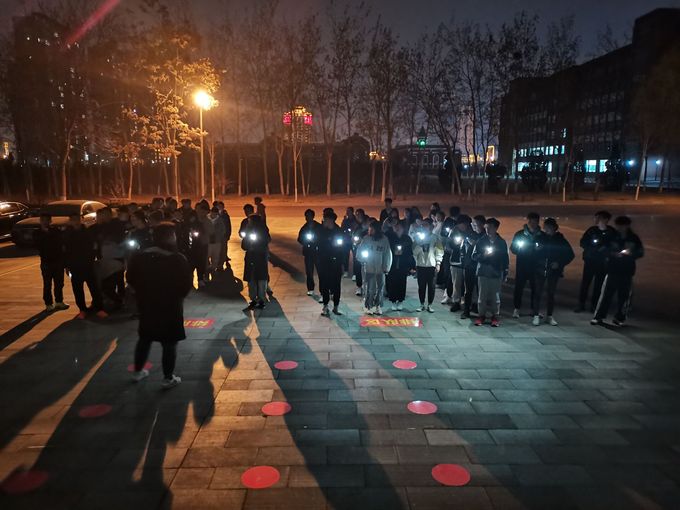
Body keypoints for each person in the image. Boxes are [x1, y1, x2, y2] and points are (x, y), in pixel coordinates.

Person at [127, 222, 192, 389]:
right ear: (170, 237)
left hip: (147, 305)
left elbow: (130, 278)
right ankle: (167, 378)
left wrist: (141, 294)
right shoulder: (177, 259)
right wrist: (177, 296)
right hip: (170, 306)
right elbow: (185, 285)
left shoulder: (141, 257)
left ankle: (137, 372)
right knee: (169, 342)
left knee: (145, 338)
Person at [592, 216, 644, 326]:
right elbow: (602, 249)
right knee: (606, 295)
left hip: (627, 271)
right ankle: (599, 316)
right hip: (613, 269)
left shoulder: (633, 238)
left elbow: (640, 252)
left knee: (624, 296)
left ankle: (620, 317)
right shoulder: (611, 236)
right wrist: (612, 254)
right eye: (618, 226)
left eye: (622, 226)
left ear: (627, 226)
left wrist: (631, 254)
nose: (620, 228)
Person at [532, 218, 574, 326]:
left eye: (549, 227)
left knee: (551, 294)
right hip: (540, 269)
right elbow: (531, 252)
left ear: (554, 228)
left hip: (553, 271)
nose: (547, 229)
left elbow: (570, 254)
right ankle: (536, 315)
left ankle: (549, 316)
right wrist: (536, 250)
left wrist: (559, 263)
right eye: (545, 227)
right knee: (538, 293)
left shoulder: (560, 240)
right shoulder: (540, 238)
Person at [63, 213, 106, 319]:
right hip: (75, 266)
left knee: (94, 288)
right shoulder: (67, 234)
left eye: (77, 219)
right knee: (77, 289)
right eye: (73, 219)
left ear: (81, 220)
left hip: (88, 264)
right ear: (70, 221)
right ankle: (82, 309)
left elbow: (95, 245)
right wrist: (66, 265)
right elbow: (65, 251)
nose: (76, 222)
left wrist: (96, 258)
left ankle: (99, 308)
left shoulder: (88, 232)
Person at [576, 210, 617, 313]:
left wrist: (605, 249)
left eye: (599, 218)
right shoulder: (592, 230)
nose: (596, 220)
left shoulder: (611, 232)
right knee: (585, 283)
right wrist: (592, 248)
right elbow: (582, 242)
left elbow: (615, 245)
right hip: (590, 261)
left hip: (603, 263)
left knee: (599, 285)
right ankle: (581, 304)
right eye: (595, 218)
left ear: (606, 220)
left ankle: (594, 305)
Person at [472, 217, 509, 327]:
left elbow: (505, 259)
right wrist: (484, 255)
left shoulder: (501, 242)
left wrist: (505, 272)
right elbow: (474, 256)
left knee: (495, 296)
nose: (487, 230)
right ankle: (481, 315)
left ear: (496, 228)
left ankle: (495, 316)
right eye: (486, 227)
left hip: (496, 272)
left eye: (490, 227)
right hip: (483, 272)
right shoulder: (481, 241)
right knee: (482, 296)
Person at [510, 211, 542, 319]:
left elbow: (546, 250)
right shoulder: (520, 234)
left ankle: (534, 310)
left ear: (538, 222)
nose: (533, 224)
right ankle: (516, 309)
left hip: (536, 267)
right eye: (531, 222)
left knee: (535, 289)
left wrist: (540, 250)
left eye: (535, 222)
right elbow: (513, 249)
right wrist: (519, 248)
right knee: (519, 288)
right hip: (522, 266)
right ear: (528, 222)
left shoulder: (541, 235)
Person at [35, 213, 69, 312]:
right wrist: (45, 234)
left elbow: (61, 244)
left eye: (47, 220)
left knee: (59, 283)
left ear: (50, 221)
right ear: (40, 221)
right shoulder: (37, 233)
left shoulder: (56, 231)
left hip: (58, 261)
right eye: (43, 220)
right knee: (47, 284)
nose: (45, 222)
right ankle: (48, 303)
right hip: (46, 262)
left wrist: (65, 262)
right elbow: (37, 245)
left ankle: (59, 301)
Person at [358, 220, 393, 315]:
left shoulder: (384, 240)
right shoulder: (366, 239)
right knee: (370, 288)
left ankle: (378, 305)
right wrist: (362, 259)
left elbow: (387, 254)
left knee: (380, 288)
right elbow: (360, 251)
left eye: (371, 229)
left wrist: (386, 267)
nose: (369, 230)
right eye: (369, 229)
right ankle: (368, 306)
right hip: (368, 268)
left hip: (380, 269)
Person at [411, 218, 444, 312]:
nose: (423, 227)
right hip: (421, 265)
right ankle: (421, 304)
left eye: (425, 225)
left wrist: (438, 263)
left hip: (432, 265)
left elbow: (440, 251)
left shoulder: (435, 238)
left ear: (430, 226)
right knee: (421, 286)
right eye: (422, 225)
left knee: (431, 287)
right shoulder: (417, 238)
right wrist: (419, 245)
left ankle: (430, 304)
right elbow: (414, 252)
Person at [316, 211, 345, 316]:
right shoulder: (320, 231)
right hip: (323, 262)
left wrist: (343, 264)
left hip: (335, 262)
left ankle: (336, 307)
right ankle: (325, 306)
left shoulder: (339, 231)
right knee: (324, 284)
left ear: (331, 220)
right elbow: (316, 244)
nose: (324, 221)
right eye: (324, 219)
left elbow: (342, 249)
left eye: (326, 220)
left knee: (336, 285)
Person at [241, 214, 271, 309]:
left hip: (260, 258)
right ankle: (253, 299)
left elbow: (266, 241)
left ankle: (261, 299)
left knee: (261, 280)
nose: (248, 222)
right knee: (251, 280)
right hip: (250, 258)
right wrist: (248, 244)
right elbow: (243, 245)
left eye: (250, 221)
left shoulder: (263, 230)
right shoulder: (248, 231)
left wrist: (257, 246)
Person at [385, 221, 415, 311]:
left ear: (403, 228)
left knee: (402, 282)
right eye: (395, 226)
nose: (397, 228)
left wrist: (411, 266)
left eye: (399, 227)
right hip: (392, 263)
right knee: (392, 282)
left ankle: (400, 301)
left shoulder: (407, 238)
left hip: (403, 264)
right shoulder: (390, 237)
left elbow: (410, 253)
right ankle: (393, 301)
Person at [460, 215, 484, 319]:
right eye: (472, 224)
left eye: (475, 224)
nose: (473, 226)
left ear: (482, 224)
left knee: (480, 290)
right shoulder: (469, 234)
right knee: (468, 290)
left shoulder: (485, 237)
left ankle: (479, 310)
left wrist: (475, 244)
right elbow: (462, 248)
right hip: (469, 266)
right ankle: (466, 310)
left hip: (480, 267)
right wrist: (463, 259)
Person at [447, 215, 472, 312]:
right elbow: (448, 246)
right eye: (464, 224)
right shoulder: (453, 232)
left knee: (468, 284)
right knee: (456, 283)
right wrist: (457, 244)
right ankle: (456, 301)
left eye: (467, 224)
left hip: (468, 262)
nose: (465, 226)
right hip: (456, 261)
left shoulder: (470, 232)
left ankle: (469, 302)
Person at [297, 209, 320, 295]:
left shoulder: (318, 226)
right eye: (306, 216)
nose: (307, 218)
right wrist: (306, 242)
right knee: (309, 272)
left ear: (313, 216)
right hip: (308, 253)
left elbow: (323, 237)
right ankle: (310, 288)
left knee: (321, 271)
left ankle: (323, 289)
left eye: (309, 216)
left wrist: (316, 241)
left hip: (318, 252)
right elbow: (299, 239)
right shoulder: (304, 228)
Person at [351, 209, 369, 295]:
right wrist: (355, 242)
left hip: (368, 250)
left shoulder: (369, 225)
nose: (358, 216)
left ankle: (368, 286)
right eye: (356, 215)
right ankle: (359, 286)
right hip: (359, 250)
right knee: (358, 268)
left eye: (359, 214)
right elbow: (353, 237)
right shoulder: (356, 226)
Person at [208, 206, 227, 277]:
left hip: (217, 242)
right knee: (207, 255)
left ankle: (213, 269)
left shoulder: (220, 220)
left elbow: (223, 230)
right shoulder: (206, 219)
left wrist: (219, 237)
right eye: (213, 213)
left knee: (215, 256)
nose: (214, 215)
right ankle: (207, 269)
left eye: (215, 214)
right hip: (208, 242)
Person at [340, 207, 357, 277]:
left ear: (352, 212)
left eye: (349, 211)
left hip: (354, 240)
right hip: (346, 240)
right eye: (347, 211)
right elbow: (342, 228)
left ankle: (355, 273)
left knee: (355, 257)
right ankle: (346, 271)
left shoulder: (355, 220)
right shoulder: (345, 220)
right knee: (345, 256)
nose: (347, 212)